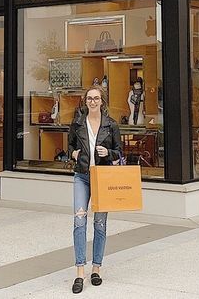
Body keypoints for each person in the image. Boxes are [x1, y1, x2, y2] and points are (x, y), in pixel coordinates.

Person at [67, 84, 122, 294]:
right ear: (85, 101)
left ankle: (96, 268)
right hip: (81, 176)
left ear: (102, 101)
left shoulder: (111, 125)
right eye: (89, 99)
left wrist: (107, 152)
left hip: (102, 178)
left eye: (96, 98)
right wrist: (72, 154)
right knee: (79, 221)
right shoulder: (78, 123)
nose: (92, 102)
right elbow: (69, 147)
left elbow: (119, 153)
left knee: (100, 224)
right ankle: (80, 272)